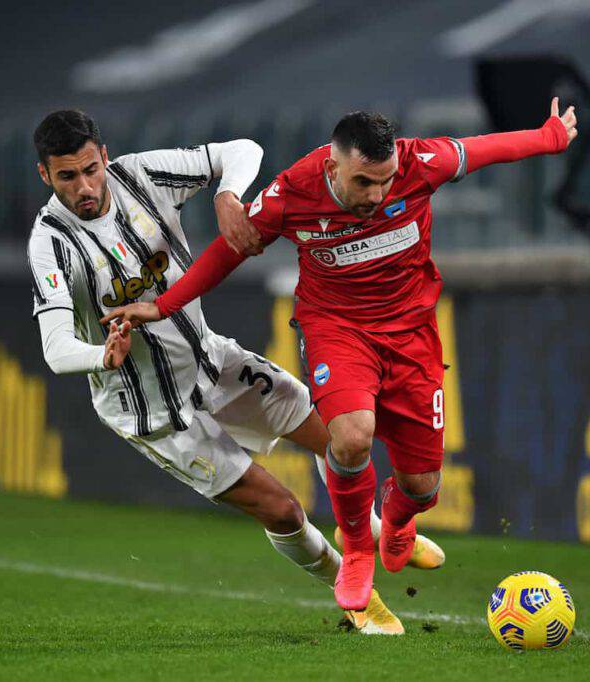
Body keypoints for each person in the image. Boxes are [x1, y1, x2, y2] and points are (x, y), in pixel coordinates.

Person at [101, 99, 577, 611]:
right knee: (351, 439)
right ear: (333, 166)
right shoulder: (293, 192)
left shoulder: (421, 163)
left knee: (422, 487)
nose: (377, 195)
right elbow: (228, 251)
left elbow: (487, 149)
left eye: (386, 181)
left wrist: (550, 136)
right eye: (364, 183)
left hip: (413, 335)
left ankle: (396, 522)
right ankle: (356, 552)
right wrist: (164, 304)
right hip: (337, 329)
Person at [26, 109, 444, 635]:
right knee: (285, 511)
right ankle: (360, 603)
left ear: (104, 157)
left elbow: (241, 149)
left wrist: (228, 194)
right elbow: (56, 348)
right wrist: (99, 356)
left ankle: (369, 531)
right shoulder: (50, 242)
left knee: (337, 437)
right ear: (45, 175)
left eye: (91, 169)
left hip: (214, 361)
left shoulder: (142, 173)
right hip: (155, 411)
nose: (85, 186)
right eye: (68, 176)